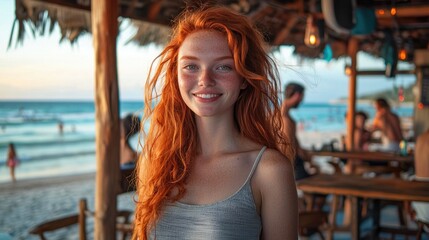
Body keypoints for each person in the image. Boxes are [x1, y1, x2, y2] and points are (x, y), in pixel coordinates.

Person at [133, 6, 297, 240]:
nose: (205, 80)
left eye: (223, 66)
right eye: (191, 66)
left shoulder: (268, 170)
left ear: (243, 78)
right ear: (175, 76)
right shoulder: (157, 159)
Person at [281, 82, 313, 180]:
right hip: (291, 169)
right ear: (297, 95)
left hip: (287, 167)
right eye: (302, 97)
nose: (301, 101)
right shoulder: (285, 120)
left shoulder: (276, 115)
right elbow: (288, 149)